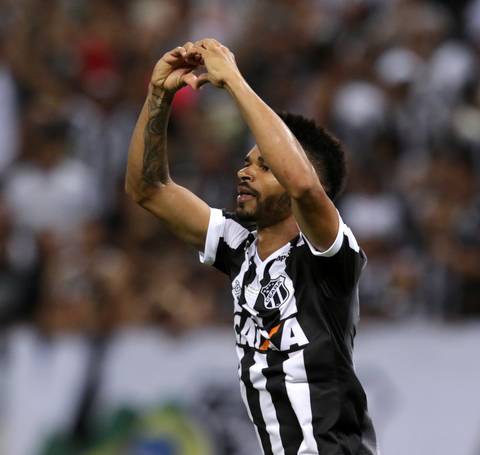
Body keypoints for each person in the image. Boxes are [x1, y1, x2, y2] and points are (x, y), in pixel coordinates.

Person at [125, 39, 379, 455]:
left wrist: (234, 81)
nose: (245, 173)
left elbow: (303, 185)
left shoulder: (330, 253)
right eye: (247, 163)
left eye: (265, 166)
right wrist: (159, 95)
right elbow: (148, 189)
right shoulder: (238, 241)